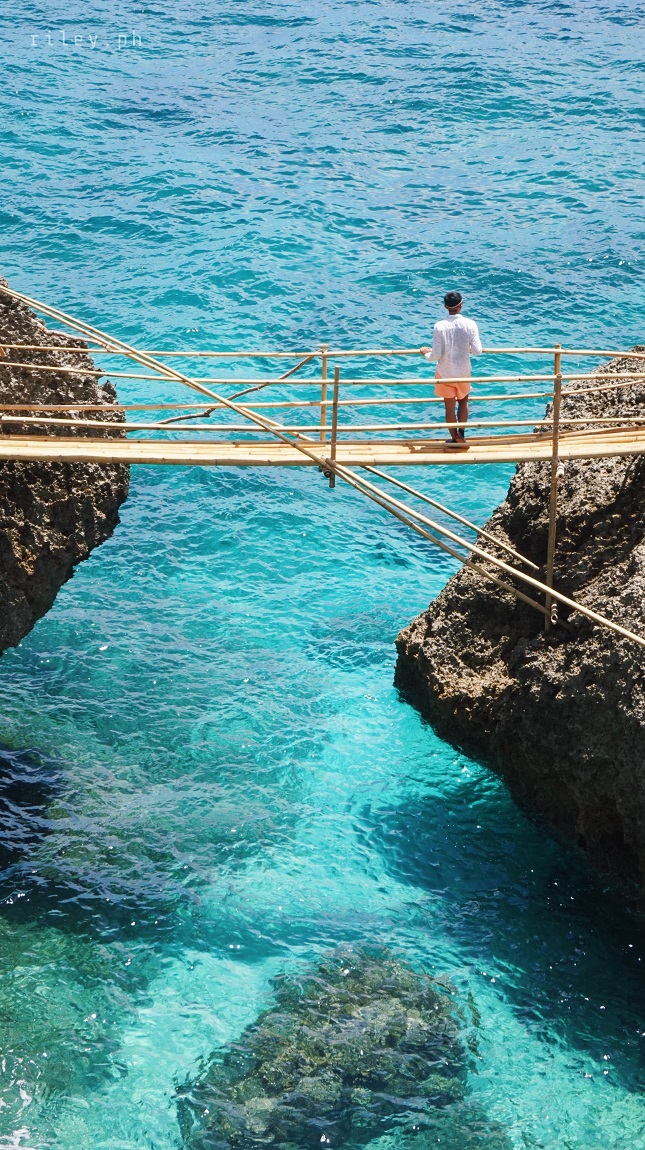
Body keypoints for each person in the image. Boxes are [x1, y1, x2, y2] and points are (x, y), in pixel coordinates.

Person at [420, 291, 482, 446]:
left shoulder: (439, 326)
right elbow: (477, 351)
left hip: (445, 373)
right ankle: (462, 433)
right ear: (461, 305)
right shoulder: (470, 324)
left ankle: (455, 438)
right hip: (463, 372)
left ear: (445, 307)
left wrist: (425, 354)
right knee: (463, 402)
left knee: (449, 407)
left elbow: (435, 355)